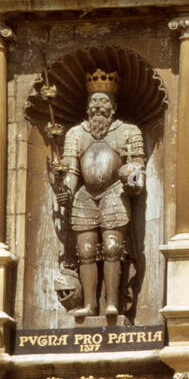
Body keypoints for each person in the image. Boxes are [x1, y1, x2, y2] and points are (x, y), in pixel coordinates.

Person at [59, 73, 145, 319]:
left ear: (113, 107)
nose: (98, 106)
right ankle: (89, 304)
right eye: (94, 101)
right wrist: (66, 191)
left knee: (112, 247)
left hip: (114, 192)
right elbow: (72, 170)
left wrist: (131, 181)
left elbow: (137, 169)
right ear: (87, 107)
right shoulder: (75, 134)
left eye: (104, 101)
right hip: (85, 195)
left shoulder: (129, 131)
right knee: (85, 251)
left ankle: (112, 302)